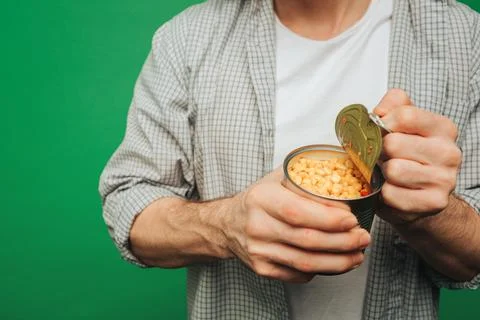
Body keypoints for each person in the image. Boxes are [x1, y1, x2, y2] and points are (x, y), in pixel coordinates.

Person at [99, 0, 480, 318]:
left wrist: (429, 213)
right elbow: (128, 202)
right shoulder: (186, 39)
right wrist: (225, 225)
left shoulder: (465, 38)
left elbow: (472, 259)